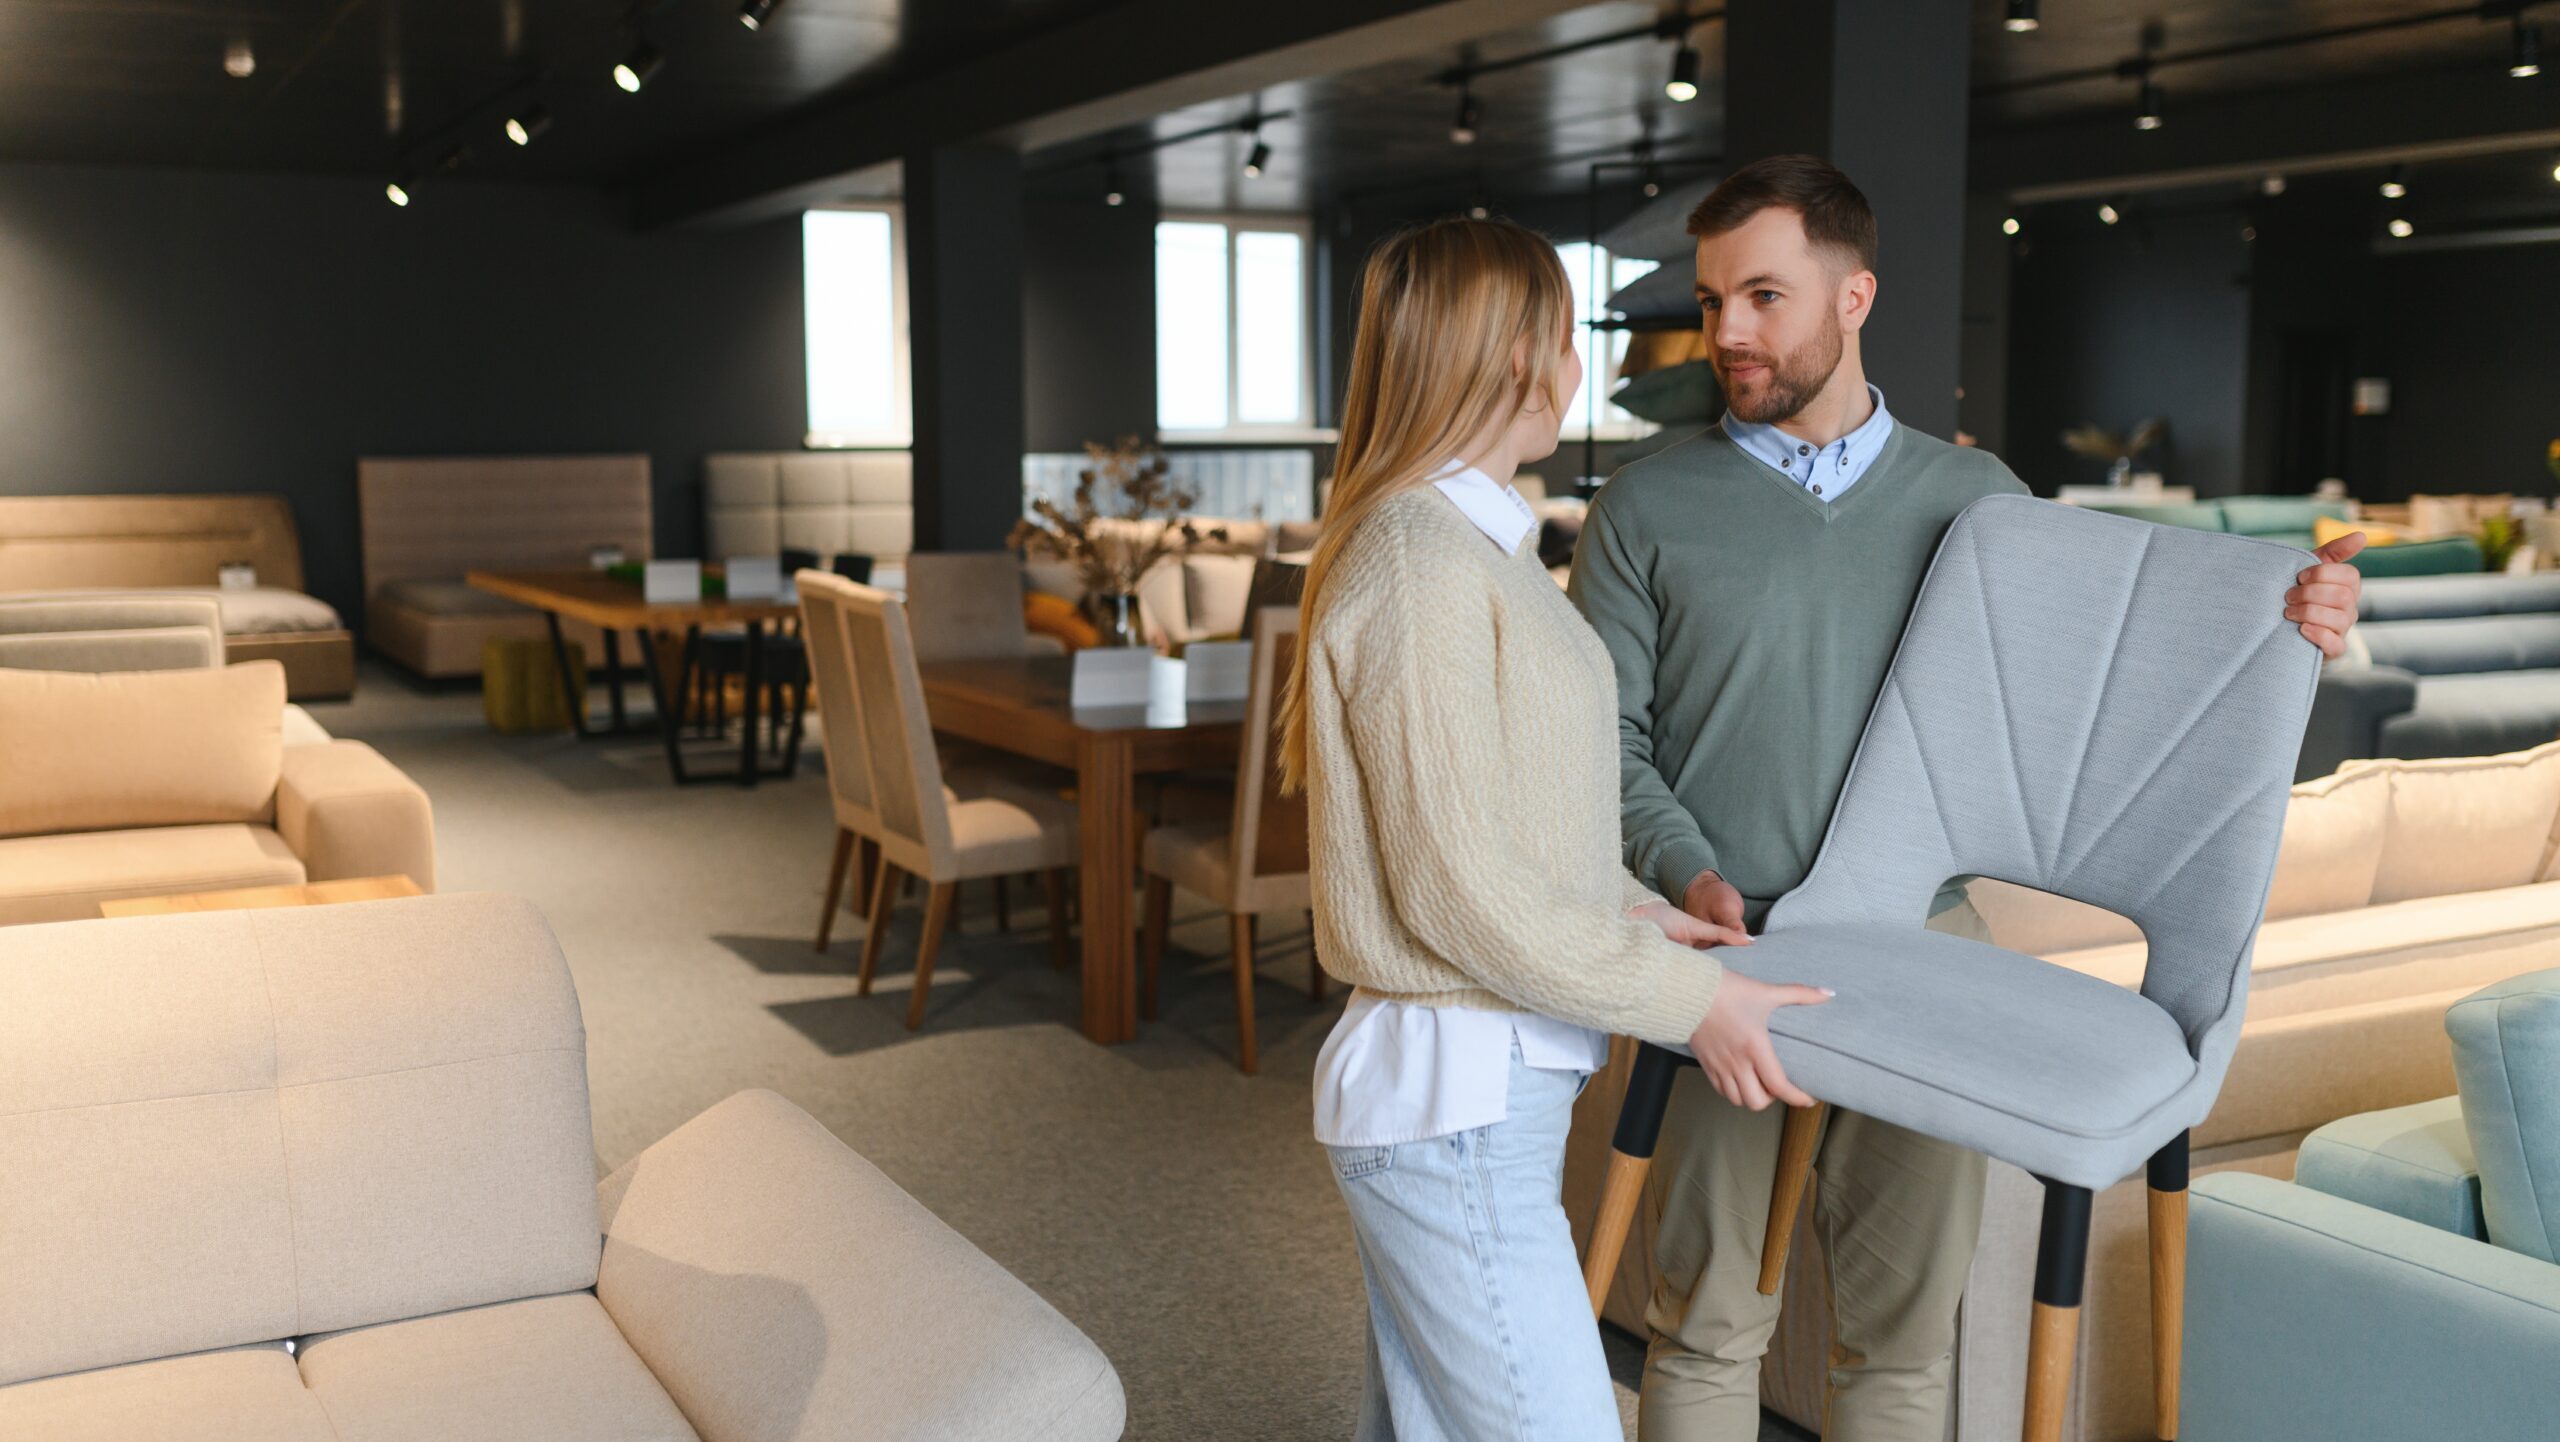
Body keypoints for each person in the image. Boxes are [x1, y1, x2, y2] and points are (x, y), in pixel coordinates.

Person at [1568, 155, 2367, 1442]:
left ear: (1854, 296)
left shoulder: (1977, 503)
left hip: (1927, 952)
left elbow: (2113, 698)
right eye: (1714, 299)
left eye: (1763, 296)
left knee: (1897, 1342)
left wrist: (2297, 620)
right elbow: (1599, 744)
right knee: (1705, 1323)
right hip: (1733, 954)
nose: (1726, 332)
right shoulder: (1646, 505)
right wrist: (1687, 873)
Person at [1279, 216, 1823, 1441]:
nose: (1578, 369)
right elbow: (1458, 887)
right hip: (1453, 1096)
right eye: (1563, 337)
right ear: (1515, 357)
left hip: (1470, 1095)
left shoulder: (1470, 549)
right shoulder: (1422, 562)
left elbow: (1513, 825)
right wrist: (1693, 1003)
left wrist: (1648, 918)